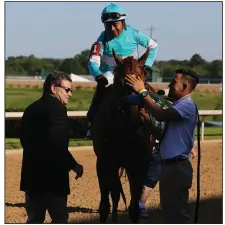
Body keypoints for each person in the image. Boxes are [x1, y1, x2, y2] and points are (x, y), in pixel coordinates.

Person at [125, 68, 199, 223]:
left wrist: (143, 92)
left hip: (177, 168)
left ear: (184, 87)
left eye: (174, 82)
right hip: (169, 167)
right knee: (169, 213)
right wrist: (147, 121)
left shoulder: (187, 105)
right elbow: (161, 136)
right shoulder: (177, 106)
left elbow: (161, 114)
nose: (170, 85)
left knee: (178, 215)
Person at [86, 2, 159, 138]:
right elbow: (92, 62)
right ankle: (92, 121)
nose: (112, 28)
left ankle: (158, 121)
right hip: (111, 74)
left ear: (123, 22)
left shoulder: (134, 33)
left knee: (150, 91)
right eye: (108, 25)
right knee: (102, 88)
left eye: (116, 24)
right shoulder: (101, 40)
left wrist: (147, 65)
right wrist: (98, 76)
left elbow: (154, 46)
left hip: (133, 72)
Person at [20, 72, 84, 223]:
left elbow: (24, 141)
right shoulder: (58, 109)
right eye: (67, 90)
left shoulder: (30, 109)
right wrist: (73, 165)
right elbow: (58, 144)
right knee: (60, 218)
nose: (70, 94)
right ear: (54, 88)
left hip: (31, 177)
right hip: (52, 179)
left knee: (34, 219)